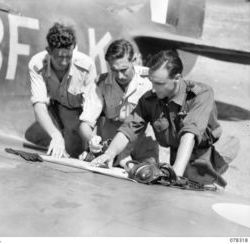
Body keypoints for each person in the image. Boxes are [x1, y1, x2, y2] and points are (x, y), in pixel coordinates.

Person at [91, 50, 231, 187]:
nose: (153, 88)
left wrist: (175, 173)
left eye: (159, 83)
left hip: (203, 153)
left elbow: (189, 133)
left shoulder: (201, 94)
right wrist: (110, 153)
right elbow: (129, 127)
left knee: (195, 193)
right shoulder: (150, 98)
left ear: (177, 78)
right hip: (177, 152)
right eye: (152, 82)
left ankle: (223, 159)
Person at [79, 39, 158, 166]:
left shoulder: (151, 81)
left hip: (142, 141)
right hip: (112, 143)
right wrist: (91, 139)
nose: (120, 76)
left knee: (148, 174)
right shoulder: (101, 83)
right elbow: (86, 122)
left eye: (124, 69)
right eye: (114, 70)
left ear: (135, 60)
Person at [26, 22, 97, 158]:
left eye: (68, 56)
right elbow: (39, 105)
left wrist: (90, 142)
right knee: (36, 137)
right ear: (49, 51)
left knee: (76, 151)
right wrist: (55, 134)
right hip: (57, 110)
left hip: (80, 117)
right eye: (59, 57)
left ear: (73, 49)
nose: (64, 62)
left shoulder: (87, 66)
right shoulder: (37, 64)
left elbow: (92, 110)